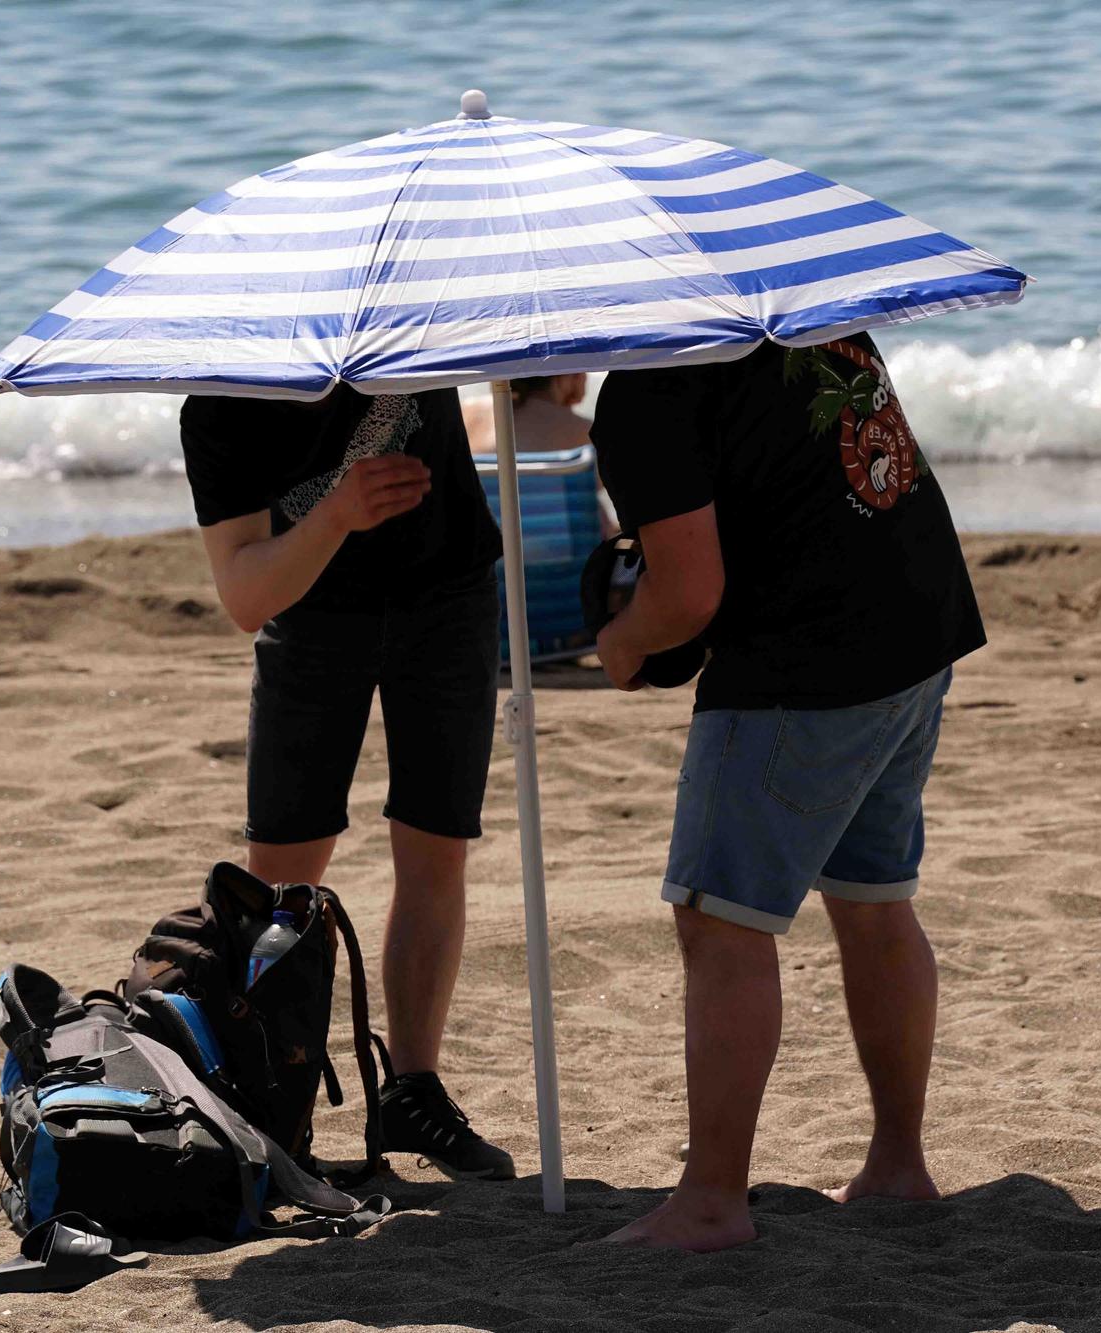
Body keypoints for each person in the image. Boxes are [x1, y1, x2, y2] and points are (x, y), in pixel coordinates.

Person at [587, 334, 987, 1250]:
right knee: (874, 902)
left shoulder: (648, 390)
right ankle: (898, 1164)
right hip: (916, 616)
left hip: (809, 659)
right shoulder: (797, 313)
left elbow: (688, 593)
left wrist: (622, 642)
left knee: (723, 923)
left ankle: (714, 1201)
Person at [178, 383, 516, 1180]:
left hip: (450, 588)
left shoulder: (397, 317)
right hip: (312, 615)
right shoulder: (222, 404)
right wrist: (336, 511)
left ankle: (411, 1091)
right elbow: (245, 594)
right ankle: (264, 1099)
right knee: (280, 885)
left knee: (436, 849)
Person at [464, 375, 621, 536]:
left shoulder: (467, 413)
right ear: (566, 375)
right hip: (566, 554)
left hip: (490, 552)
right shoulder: (582, 430)